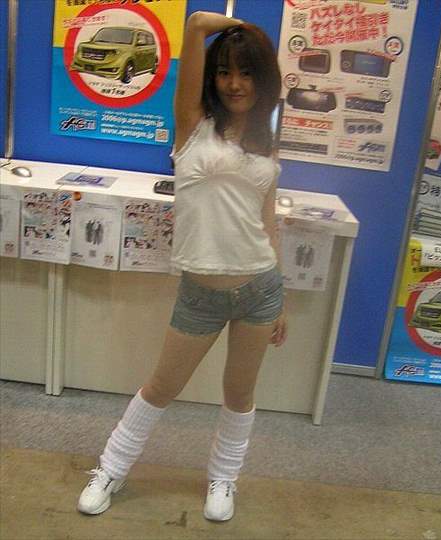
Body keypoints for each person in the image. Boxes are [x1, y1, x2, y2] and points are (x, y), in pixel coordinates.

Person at [77, 11, 287, 522]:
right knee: (161, 388)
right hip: (201, 293)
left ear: (262, 80)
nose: (235, 83)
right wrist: (247, 30)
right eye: (225, 71)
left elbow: (267, 222)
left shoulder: (266, 142)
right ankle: (110, 470)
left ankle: (224, 478)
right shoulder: (194, 127)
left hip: (260, 289)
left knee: (239, 393)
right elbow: (194, 26)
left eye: (247, 72)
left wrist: (283, 299)